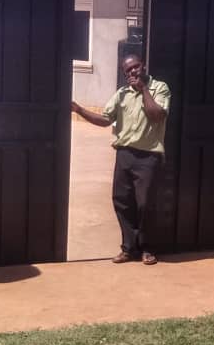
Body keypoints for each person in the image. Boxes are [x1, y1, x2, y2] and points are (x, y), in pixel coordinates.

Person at [72, 55, 170, 265]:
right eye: (128, 70)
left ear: (143, 65)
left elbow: (157, 115)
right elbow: (105, 120)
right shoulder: (122, 94)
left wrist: (144, 90)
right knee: (122, 202)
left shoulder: (159, 88)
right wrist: (79, 110)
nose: (132, 71)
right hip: (125, 154)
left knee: (145, 204)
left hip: (148, 156)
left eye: (135, 67)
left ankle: (147, 248)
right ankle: (128, 248)